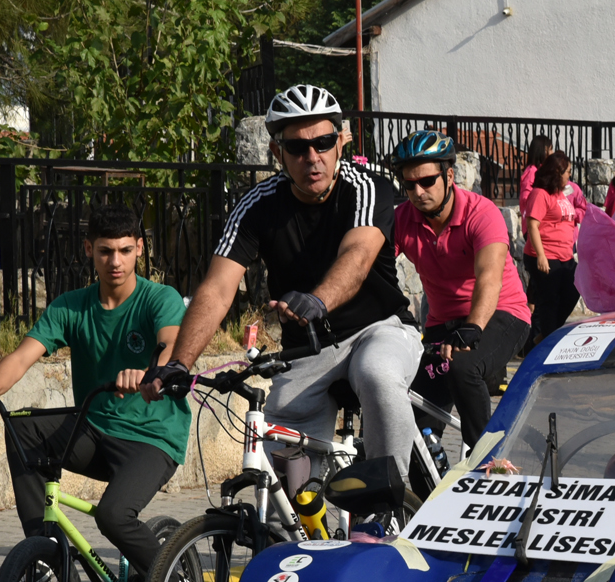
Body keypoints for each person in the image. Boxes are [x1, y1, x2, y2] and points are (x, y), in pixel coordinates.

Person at [141, 84, 423, 486]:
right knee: (282, 487)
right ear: (278, 153)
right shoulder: (256, 205)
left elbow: (357, 257)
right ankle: (296, 522)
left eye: (323, 142)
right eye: (297, 147)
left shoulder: (366, 187)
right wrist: (179, 363)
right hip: (307, 350)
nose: (312, 156)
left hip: (379, 329)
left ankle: (386, 498)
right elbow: (217, 289)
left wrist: (317, 300)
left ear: (341, 142)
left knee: (377, 373)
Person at [0, 205, 188, 582]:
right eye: (105, 251)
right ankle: (45, 550)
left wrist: (151, 373)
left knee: (113, 516)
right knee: (22, 427)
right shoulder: (71, 306)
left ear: (139, 248)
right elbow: (22, 356)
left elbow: (171, 344)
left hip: (152, 437)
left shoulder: (159, 298)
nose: (116, 261)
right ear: (88, 249)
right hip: (94, 430)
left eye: (125, 250)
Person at [389, 130, 531, 449]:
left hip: (501, 314)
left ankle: (486, 461)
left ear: (449, 175)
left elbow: (489, 277)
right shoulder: (402, 219)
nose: (417, 192)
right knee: (414, 427)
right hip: (442, 325)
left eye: (427, 181)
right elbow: (373, 268)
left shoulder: (481, 213)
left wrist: (472, 328)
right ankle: (428, 474)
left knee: (463, 367)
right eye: (409, 184)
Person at [521, 150, 585, 350]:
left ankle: (545, 336)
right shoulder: (540, 194)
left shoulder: (561, 194)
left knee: (575, 288)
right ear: (557, 172)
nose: (569, 175)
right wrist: (541, 256)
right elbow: (532, 225)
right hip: (545, 255)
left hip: (565, 255)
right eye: (567, 171)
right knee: (549, 302)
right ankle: (548, 345)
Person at [518, 135, 552, 204]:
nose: (552, 152)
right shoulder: (532, 172)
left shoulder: (541, 169)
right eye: (551, 149)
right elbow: (526, 197)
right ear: (545, 151)